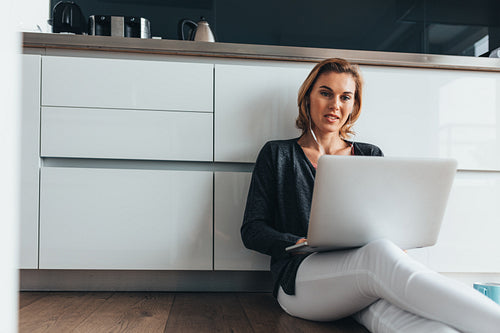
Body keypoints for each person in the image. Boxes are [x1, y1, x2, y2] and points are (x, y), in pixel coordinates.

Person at [241, 58, 500, 333]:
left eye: (345, 97)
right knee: (378, 255)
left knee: (411, 321)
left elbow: (387, 224)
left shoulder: (370, 155)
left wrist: (398, 242)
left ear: (354, 105)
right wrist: (298, 241)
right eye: (325, 93)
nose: (335, 105)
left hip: (365, 275)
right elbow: (252, 230)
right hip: (300, 280)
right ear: (308, 98)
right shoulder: (277, 154)